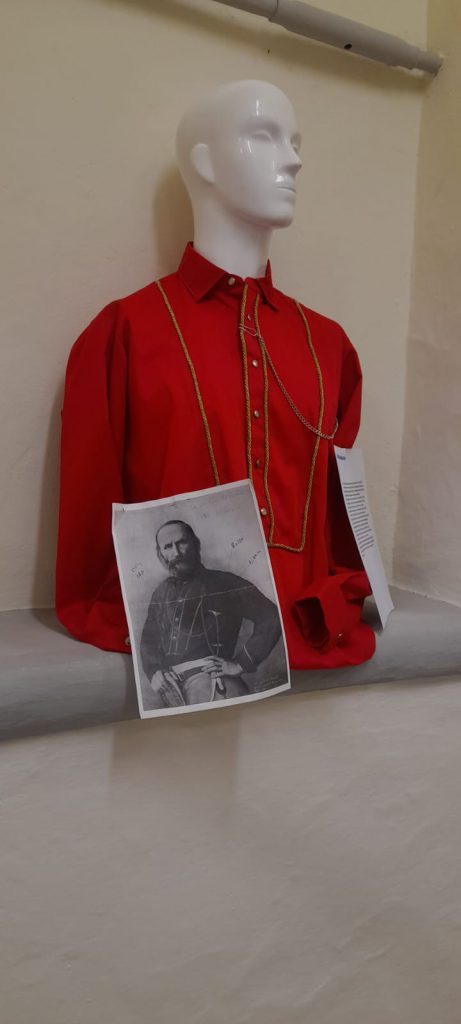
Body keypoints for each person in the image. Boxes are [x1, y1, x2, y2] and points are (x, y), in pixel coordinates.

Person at [140, 520, 282, 707]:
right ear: (160, 554)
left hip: (216, 687)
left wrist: (240, 664)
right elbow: (149, 641)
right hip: (174, 694)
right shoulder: (160, 593)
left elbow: (271, 616)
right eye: (167, 547)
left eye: (181, 543)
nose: (176, 552)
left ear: (196, 544)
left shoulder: (224, 582)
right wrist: (154, 672)